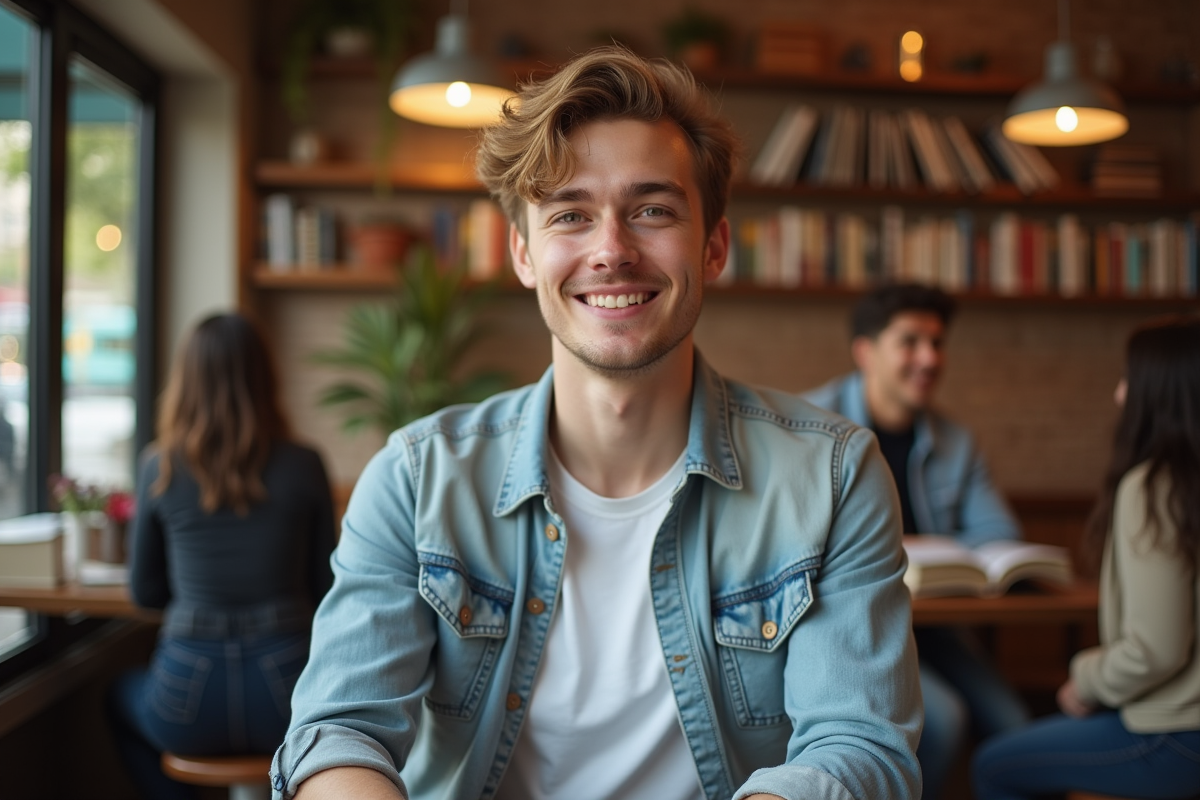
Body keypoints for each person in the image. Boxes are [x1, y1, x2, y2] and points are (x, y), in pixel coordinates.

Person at [272, 47, 921, 800]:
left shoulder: (834, 476)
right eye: (571, 215)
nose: (611, 250)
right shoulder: (418, 478)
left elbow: (858, 746)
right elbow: (338, 729)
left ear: (713, 246)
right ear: (524, 252)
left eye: (652, 210)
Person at [803, 283, 1029, 800]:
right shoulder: (810, 427)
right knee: (943, 718)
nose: (929, 358)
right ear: (866, 352)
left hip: (935, 627)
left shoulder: (957, 442)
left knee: (1015, 720)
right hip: (853, 624)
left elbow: (999, 535)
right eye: (910, 341)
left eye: (938, 342)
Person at [109, 313, 336, 800]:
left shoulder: (158, 466)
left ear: (185, 382)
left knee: (117, 698)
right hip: (287, 698)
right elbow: (326, 588)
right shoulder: (304, 463)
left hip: (185, 697)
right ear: (265, 377)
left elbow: (145, 592)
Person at [972, 315, 1200, 800]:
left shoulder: (1156, 486)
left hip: (1176, 735)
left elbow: (1155, 649)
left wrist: (1083, 680)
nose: (1119, 395)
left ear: (1157, 392)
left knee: (994, 765)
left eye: (1127, 380)